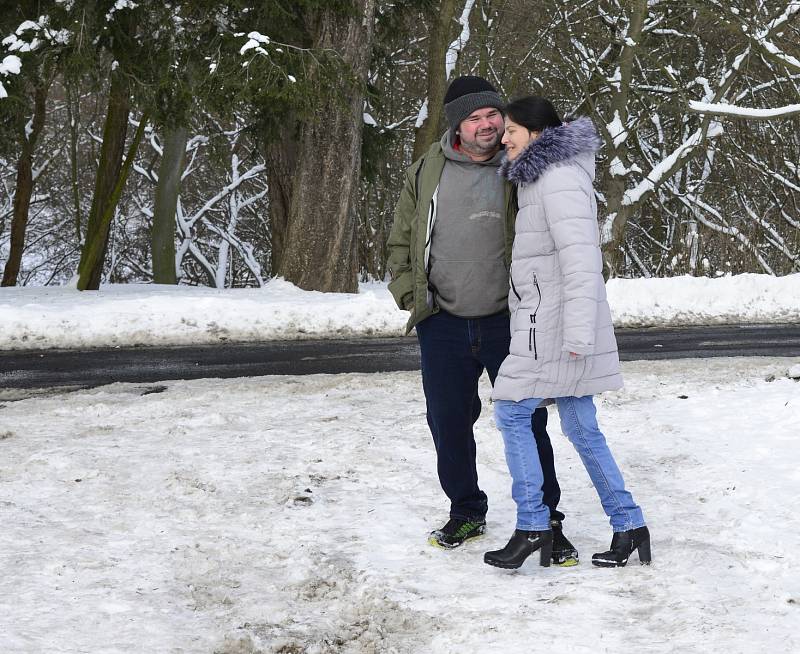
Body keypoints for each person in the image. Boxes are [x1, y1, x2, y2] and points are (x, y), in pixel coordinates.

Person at [387, 76, 578, 565]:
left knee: (528, 421)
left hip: (509, 320)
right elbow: (401, 238)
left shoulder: (525, 164)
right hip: (443, 321)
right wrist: (412, 295)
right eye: (475, 117)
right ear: (457, 126)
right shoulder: (426, 170)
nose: (488, 124)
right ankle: (467, 510)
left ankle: (546, 520)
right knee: (448, 422)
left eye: (494, 114)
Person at [483, 96, 650, 570]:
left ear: (536, 133)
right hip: (546, 321)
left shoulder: (556, 180)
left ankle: (533, 525)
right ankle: (629, 524)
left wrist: (579, 335)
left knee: (513, 412)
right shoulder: (543, 178)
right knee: (580, 424)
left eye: (512, 129)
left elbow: (581, 263)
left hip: (555, 328)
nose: (504, 137)